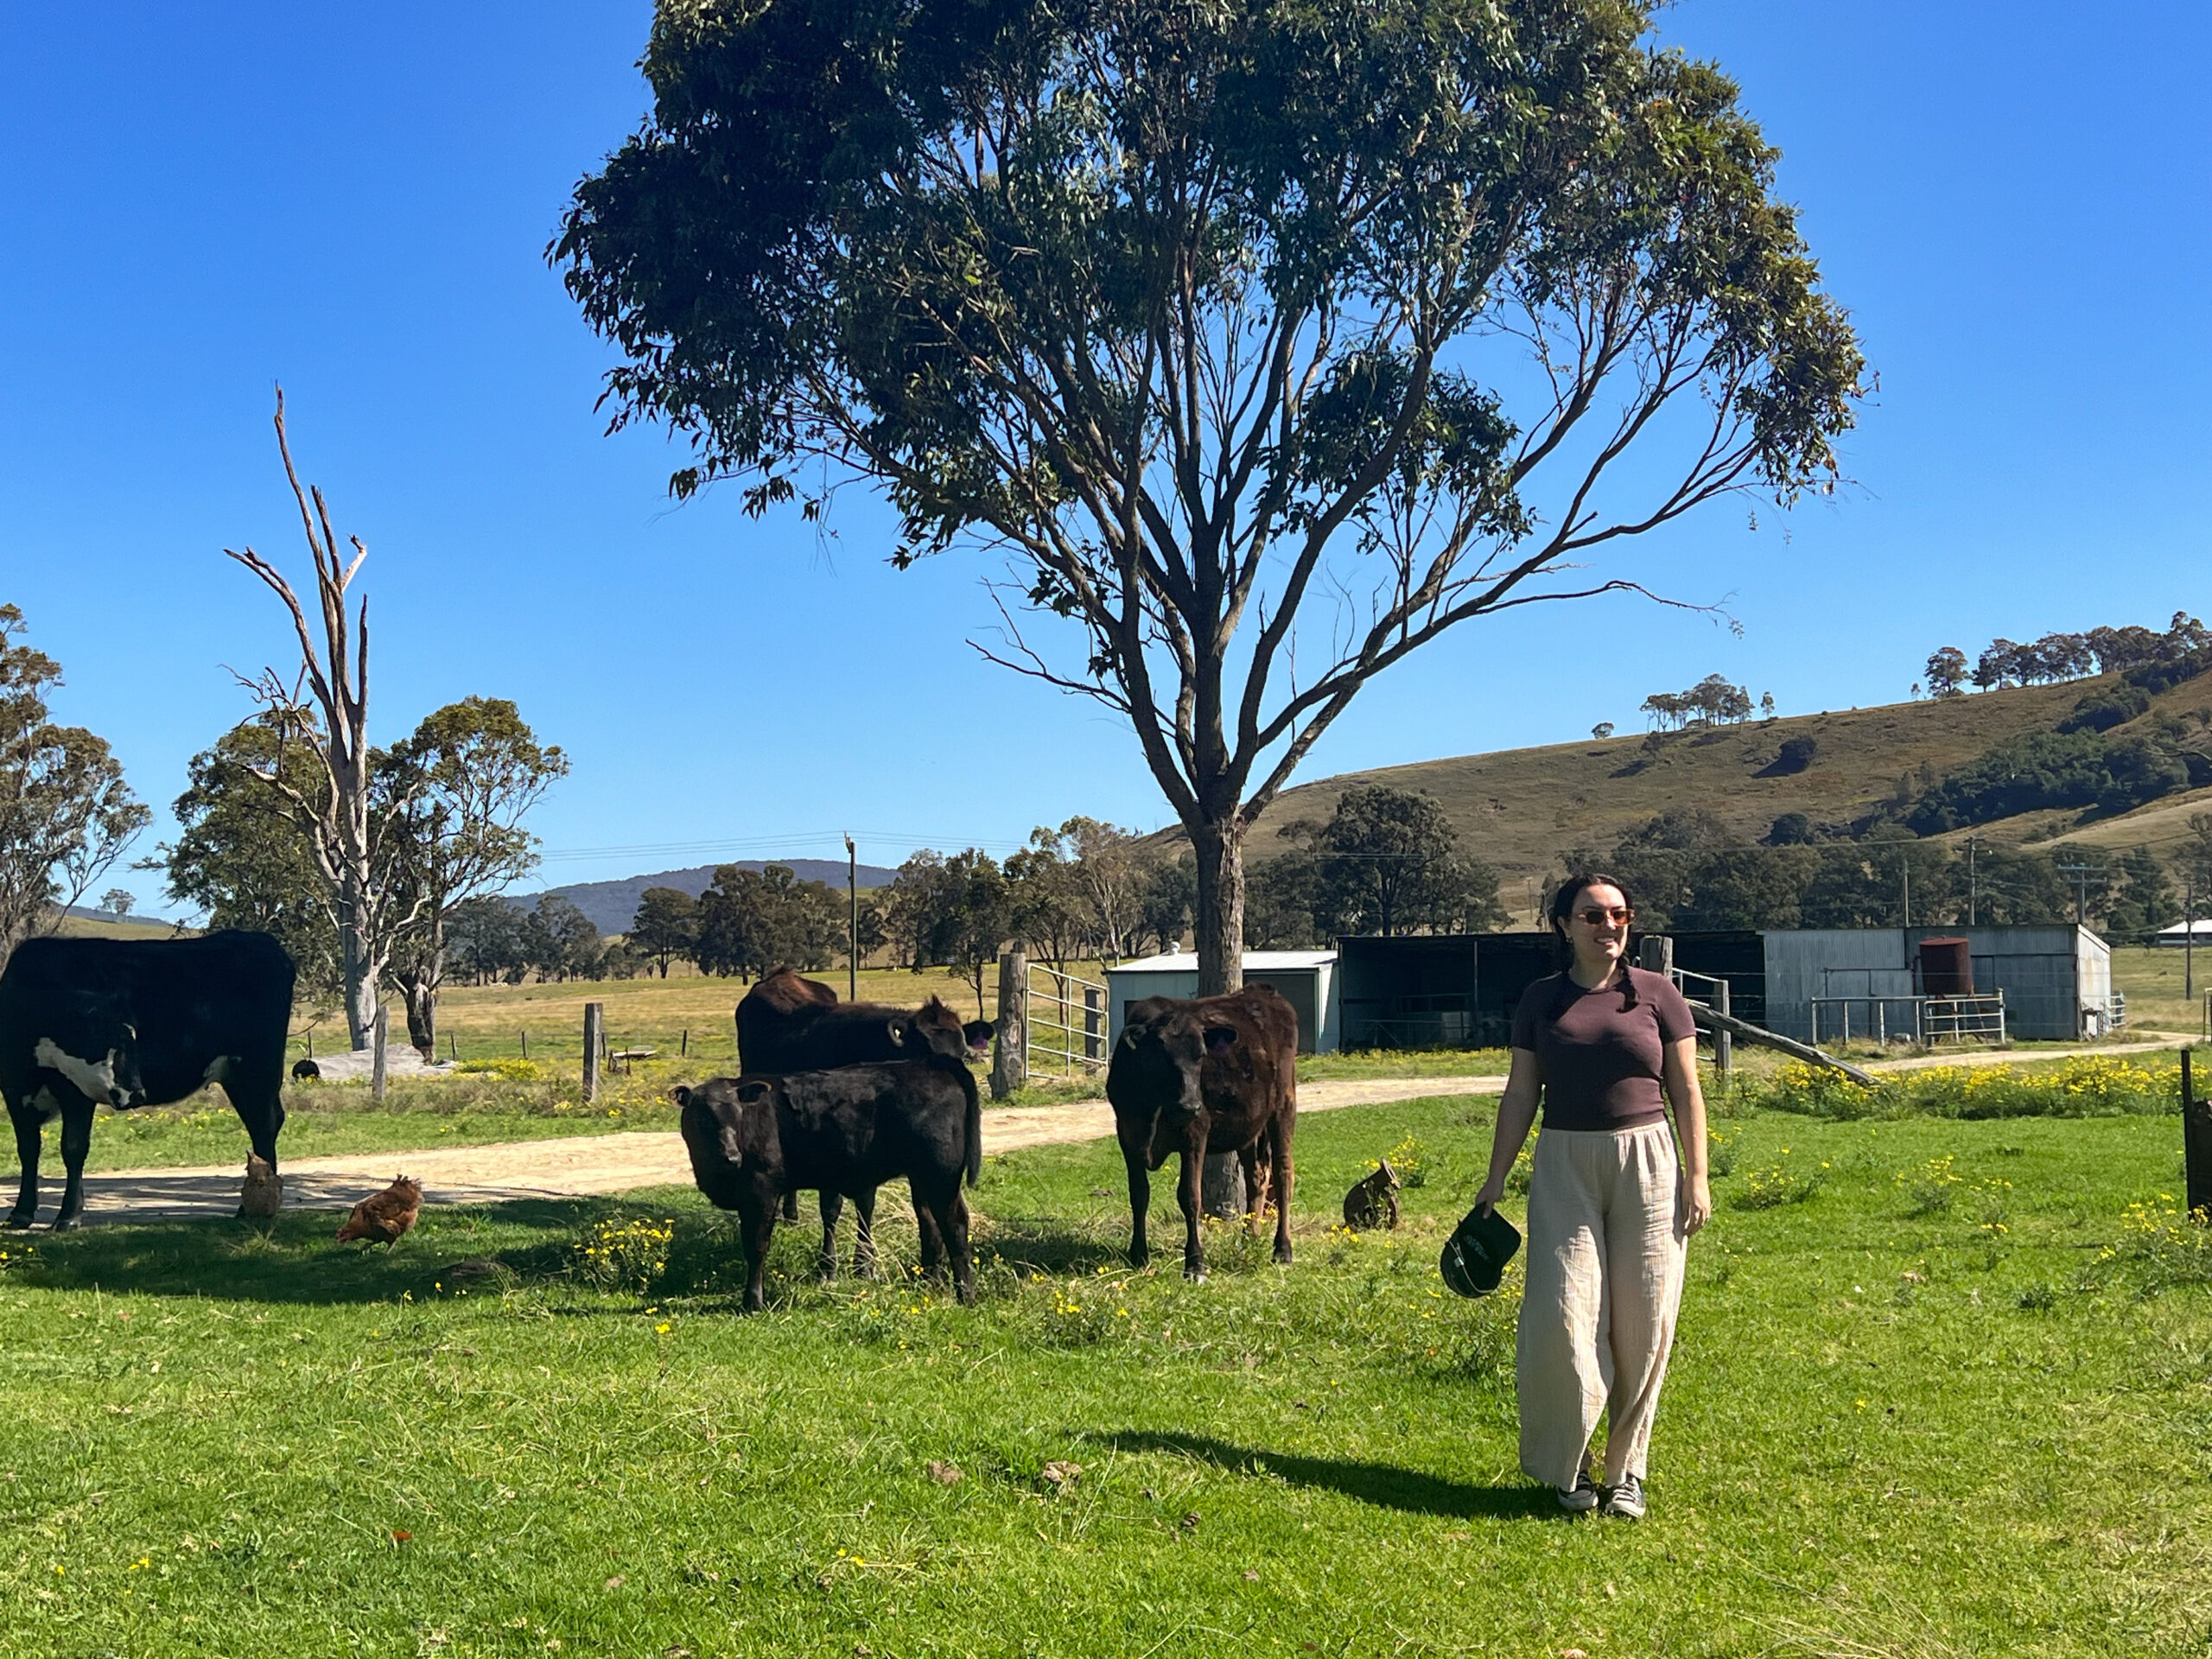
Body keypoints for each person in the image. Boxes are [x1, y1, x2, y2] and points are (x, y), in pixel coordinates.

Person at [1471, 874, 1712, 1520]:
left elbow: (1687, 1091)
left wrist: (1697, 1176)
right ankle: (1571, 1461)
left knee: (1646, 1319)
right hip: (1563, 1162)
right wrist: (1496, 1176)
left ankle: (1626, 1470)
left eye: (1619, 914)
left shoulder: (1660, 995)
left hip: (1650, 1162)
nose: (1609, 925)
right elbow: (1522, 1092)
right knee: (1563, 1314)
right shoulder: (1540, 1000)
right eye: (1593, 915)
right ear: (1564, 924)